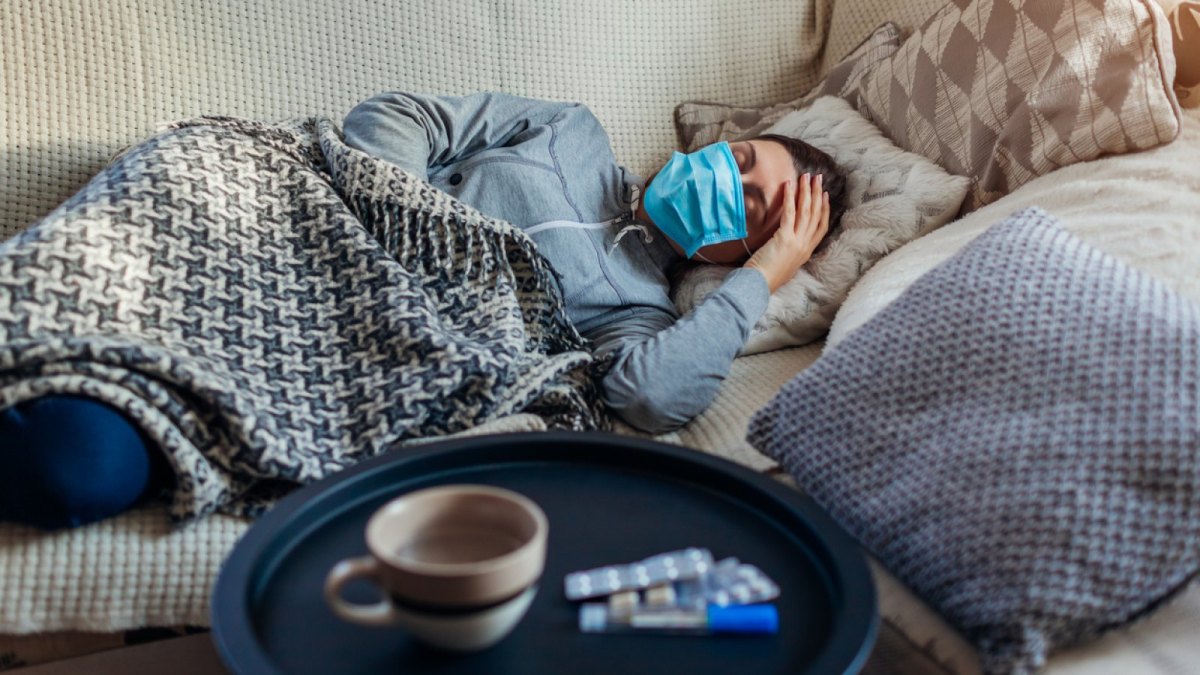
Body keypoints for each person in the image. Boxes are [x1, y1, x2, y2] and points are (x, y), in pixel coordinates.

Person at [0, 90, 847, 531]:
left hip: (334, 344)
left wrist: (770, 275)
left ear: (734, 254)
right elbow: (399, 119)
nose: (725, 185)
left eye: (754, 211)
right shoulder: (569, 132)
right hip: (278, 214)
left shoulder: (638, 310)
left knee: (77, 471)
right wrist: (404, 216)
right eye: (739, 161)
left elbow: (652, 397)